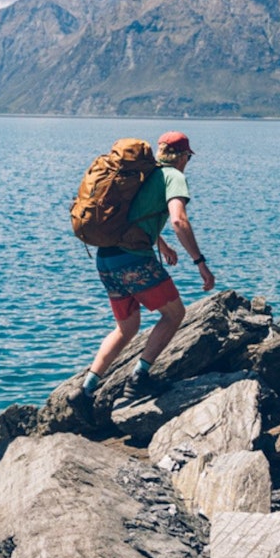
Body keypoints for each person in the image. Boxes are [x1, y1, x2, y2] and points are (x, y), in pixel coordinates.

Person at [78, 131, 217, 402]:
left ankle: (84, 391)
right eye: (188, 156)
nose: (188, 162)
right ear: (182, 156)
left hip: (106, 259)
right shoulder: (173, 176)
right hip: (133, 260)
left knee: (126, 327)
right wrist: (200, 263)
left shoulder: (142, 175)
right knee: (174, 314)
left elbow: (131, 217)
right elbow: (178, 221)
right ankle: (139, 378)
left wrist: (161, 245)